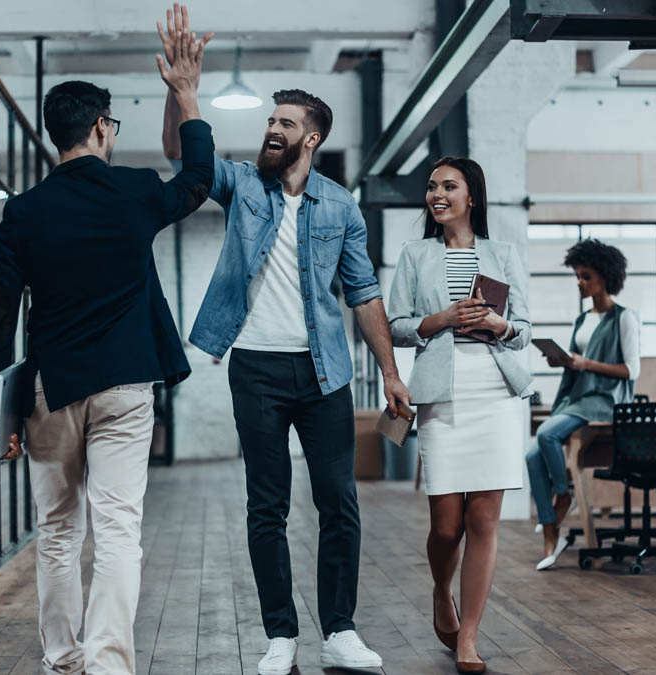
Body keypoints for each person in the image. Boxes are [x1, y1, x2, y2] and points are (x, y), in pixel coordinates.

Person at [157, 7, 411, 673]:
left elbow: (364, 295)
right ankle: (279, 633)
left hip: (324, 372)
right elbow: (183, 155)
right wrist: (182, 91)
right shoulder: (242, 184)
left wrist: (389, 372)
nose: (272, 131)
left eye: (285, 124)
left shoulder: (340, 206)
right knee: (266, 504)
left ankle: (340, 629)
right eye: (270, 122)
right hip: (256, 371)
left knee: (339, 501)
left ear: (312, 136)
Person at [0, 17, 213, 674]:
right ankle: (110, 665)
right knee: (117, 532)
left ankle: (62, 660)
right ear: (103, 128)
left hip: (51, 390)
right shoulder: (135, 193)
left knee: (57, 531)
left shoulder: (23, 211)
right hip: (125, 386)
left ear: (59, 135)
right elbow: (197, 178)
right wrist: (186, 94)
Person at [386, 156, 532, 673]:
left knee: (484, 520)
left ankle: (468, 636)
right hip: (441, 395)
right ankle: (440, 590)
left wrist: (499, 323)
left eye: (449, 186)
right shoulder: (415, 255)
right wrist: (440, 318)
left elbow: (526, 329)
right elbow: (397, 324)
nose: (437, 194)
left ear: (473, 197)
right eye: (431, 187)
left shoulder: (503, 253)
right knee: (447, 526)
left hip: (495, 393)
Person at [528, 238, 640, 571]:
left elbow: (631, 370)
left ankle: (565, 495)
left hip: (604, 402)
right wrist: (562, 361)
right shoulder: (582, 319)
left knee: (547, 435)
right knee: (532, 456)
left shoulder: (624, 318)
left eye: (586, 276)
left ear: (605, 277)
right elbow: (578, 362)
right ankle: (552, 534)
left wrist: (585, 364)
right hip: (577, 398)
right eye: (577, 276)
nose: (580, 282)